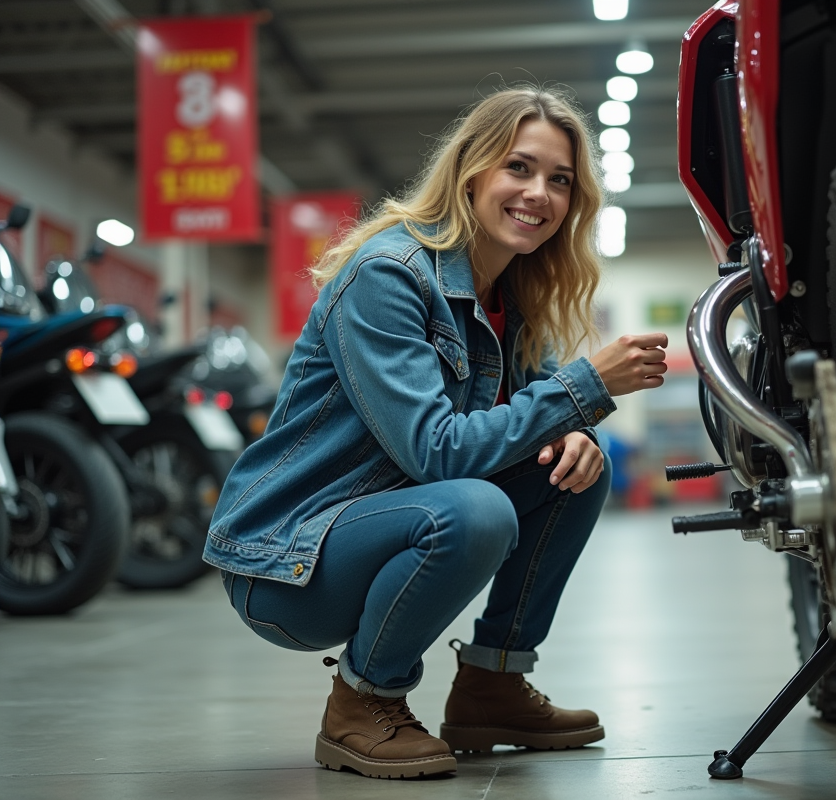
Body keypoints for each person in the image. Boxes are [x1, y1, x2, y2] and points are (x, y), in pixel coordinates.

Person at [202, 87, 668, 781]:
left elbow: (524, 430)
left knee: (577, 468)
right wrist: (586, 388)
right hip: (287, 562)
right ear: (471, 172)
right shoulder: (387, 275)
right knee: (477, 510)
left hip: (387, 521)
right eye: (519, 167)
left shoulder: (513, 295)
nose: (538, 193)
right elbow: (437, 452)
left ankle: (493, 685)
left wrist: (572, 432)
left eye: (560, 180)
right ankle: (362, 702)